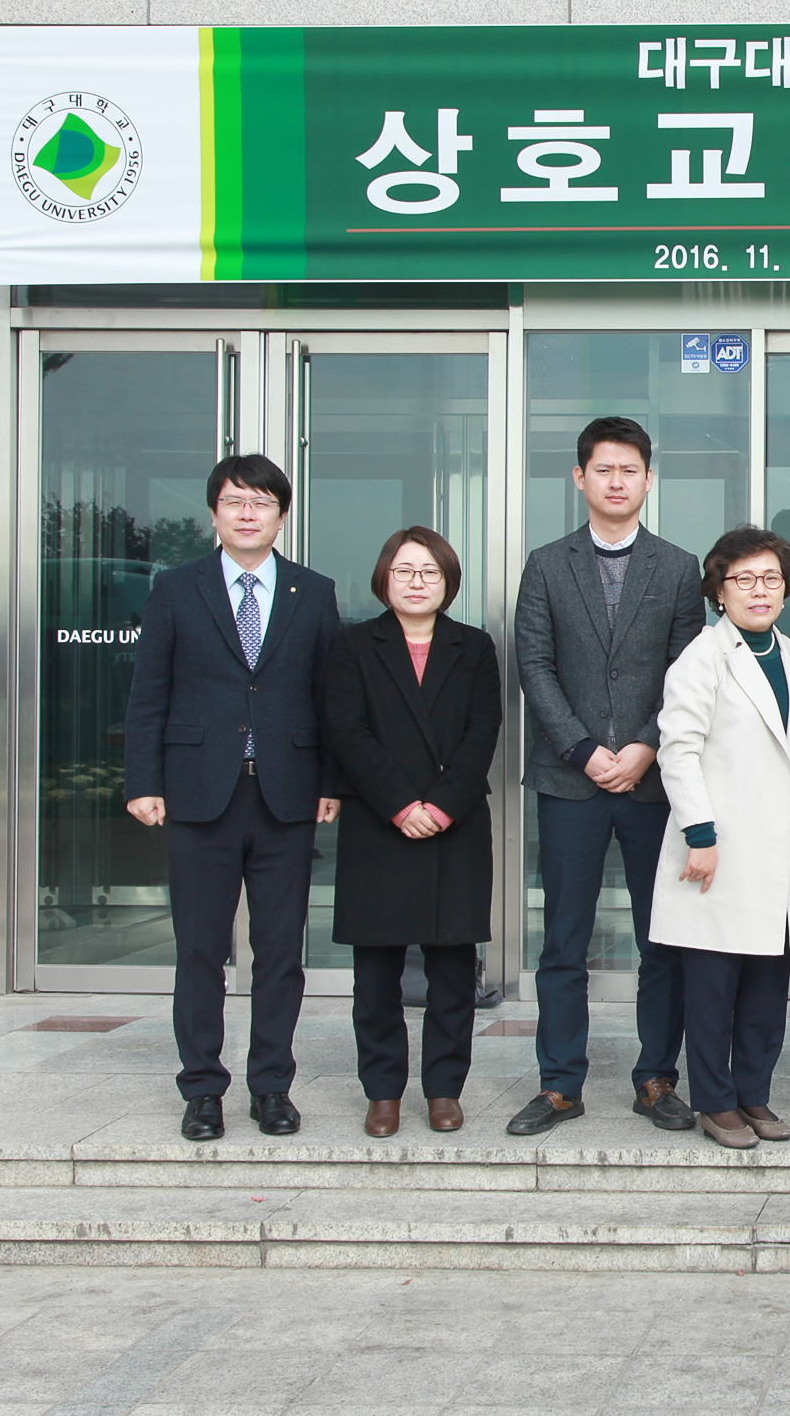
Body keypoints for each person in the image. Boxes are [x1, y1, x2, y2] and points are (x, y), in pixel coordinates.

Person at [124, 454, 342, 1142]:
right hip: (197, 794)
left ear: (282, 515)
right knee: (199, 952)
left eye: (261, 503)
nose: (248, 514)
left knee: (280, 955)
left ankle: (271, 1087)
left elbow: (328, 696)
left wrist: (330, 782)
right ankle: (202, 1090)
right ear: (214, 513)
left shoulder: (314, 591)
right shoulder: (176, 588)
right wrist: (143, 780)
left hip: (285, 795)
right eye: (234, 502)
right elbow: (149, 690)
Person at [511, 417, 703, 1137]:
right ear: (580, 478)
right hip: (571, 782)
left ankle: (656, 1078)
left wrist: (648, 745)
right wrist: (582, 748)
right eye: (603, 469)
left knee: (664, 940)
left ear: (648, 479)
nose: (616, 481)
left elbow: (687, 671)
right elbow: (534, 665)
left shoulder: (678, 567)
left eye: (629, 470)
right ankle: (561, 1084)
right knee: (564, 941)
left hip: (654, 784)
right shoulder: (545, 565)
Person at [324, 527, 502, 1137]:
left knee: (452, 968)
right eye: (404, 571)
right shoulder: (353, 645)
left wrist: (442, 807)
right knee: (376, 972)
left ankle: (444, 1089)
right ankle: (383, 1092)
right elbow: (347, 732)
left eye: (430, 571)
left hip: (456, 823)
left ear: (448, 581)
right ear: (385, 579)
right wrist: (401, 805)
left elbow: (483, 732)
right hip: (380, 822)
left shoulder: (473, 647)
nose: (417, 582)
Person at [652, 528, 790, 1150]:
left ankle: (754, 1092)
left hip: (778, 851)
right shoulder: (702, 656)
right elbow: (678, 749)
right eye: (743, 579)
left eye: (770, 578)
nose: (759, 590)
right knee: (713, 987)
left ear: (786, 587)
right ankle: (715, 1101)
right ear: (720, 592)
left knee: (767, 987)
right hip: (718, 848)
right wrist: (699, 832)